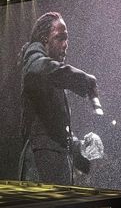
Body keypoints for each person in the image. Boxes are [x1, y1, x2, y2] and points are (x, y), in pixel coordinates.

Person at [18, 11, 103, 185]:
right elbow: (40, 69)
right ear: (44, 38)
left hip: (48, 164)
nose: (65, 44)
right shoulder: (34, 61)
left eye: (67, 38)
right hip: (40, 165)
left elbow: (54, 131)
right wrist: (83, 79)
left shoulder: (51, 75)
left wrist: (80, 147)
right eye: (60, 38)